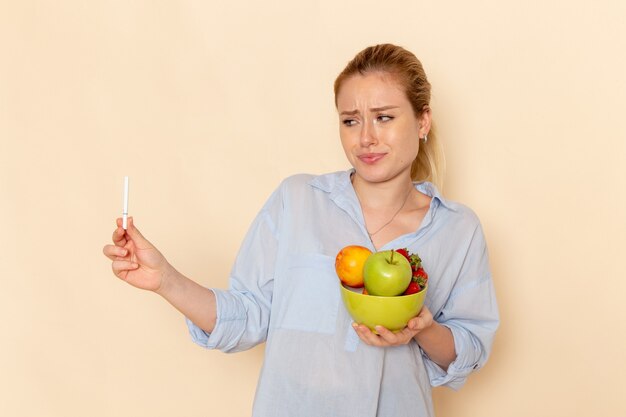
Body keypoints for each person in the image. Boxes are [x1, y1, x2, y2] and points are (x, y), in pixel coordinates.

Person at [103, 43, 499, 417]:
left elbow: (468, 348)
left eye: (384, 117)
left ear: (422, 120)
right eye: (350, 121)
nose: (366, 138)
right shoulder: (297, 200)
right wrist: (165, 280)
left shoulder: (456, 229)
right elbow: (248, 315)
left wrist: (422, 328)